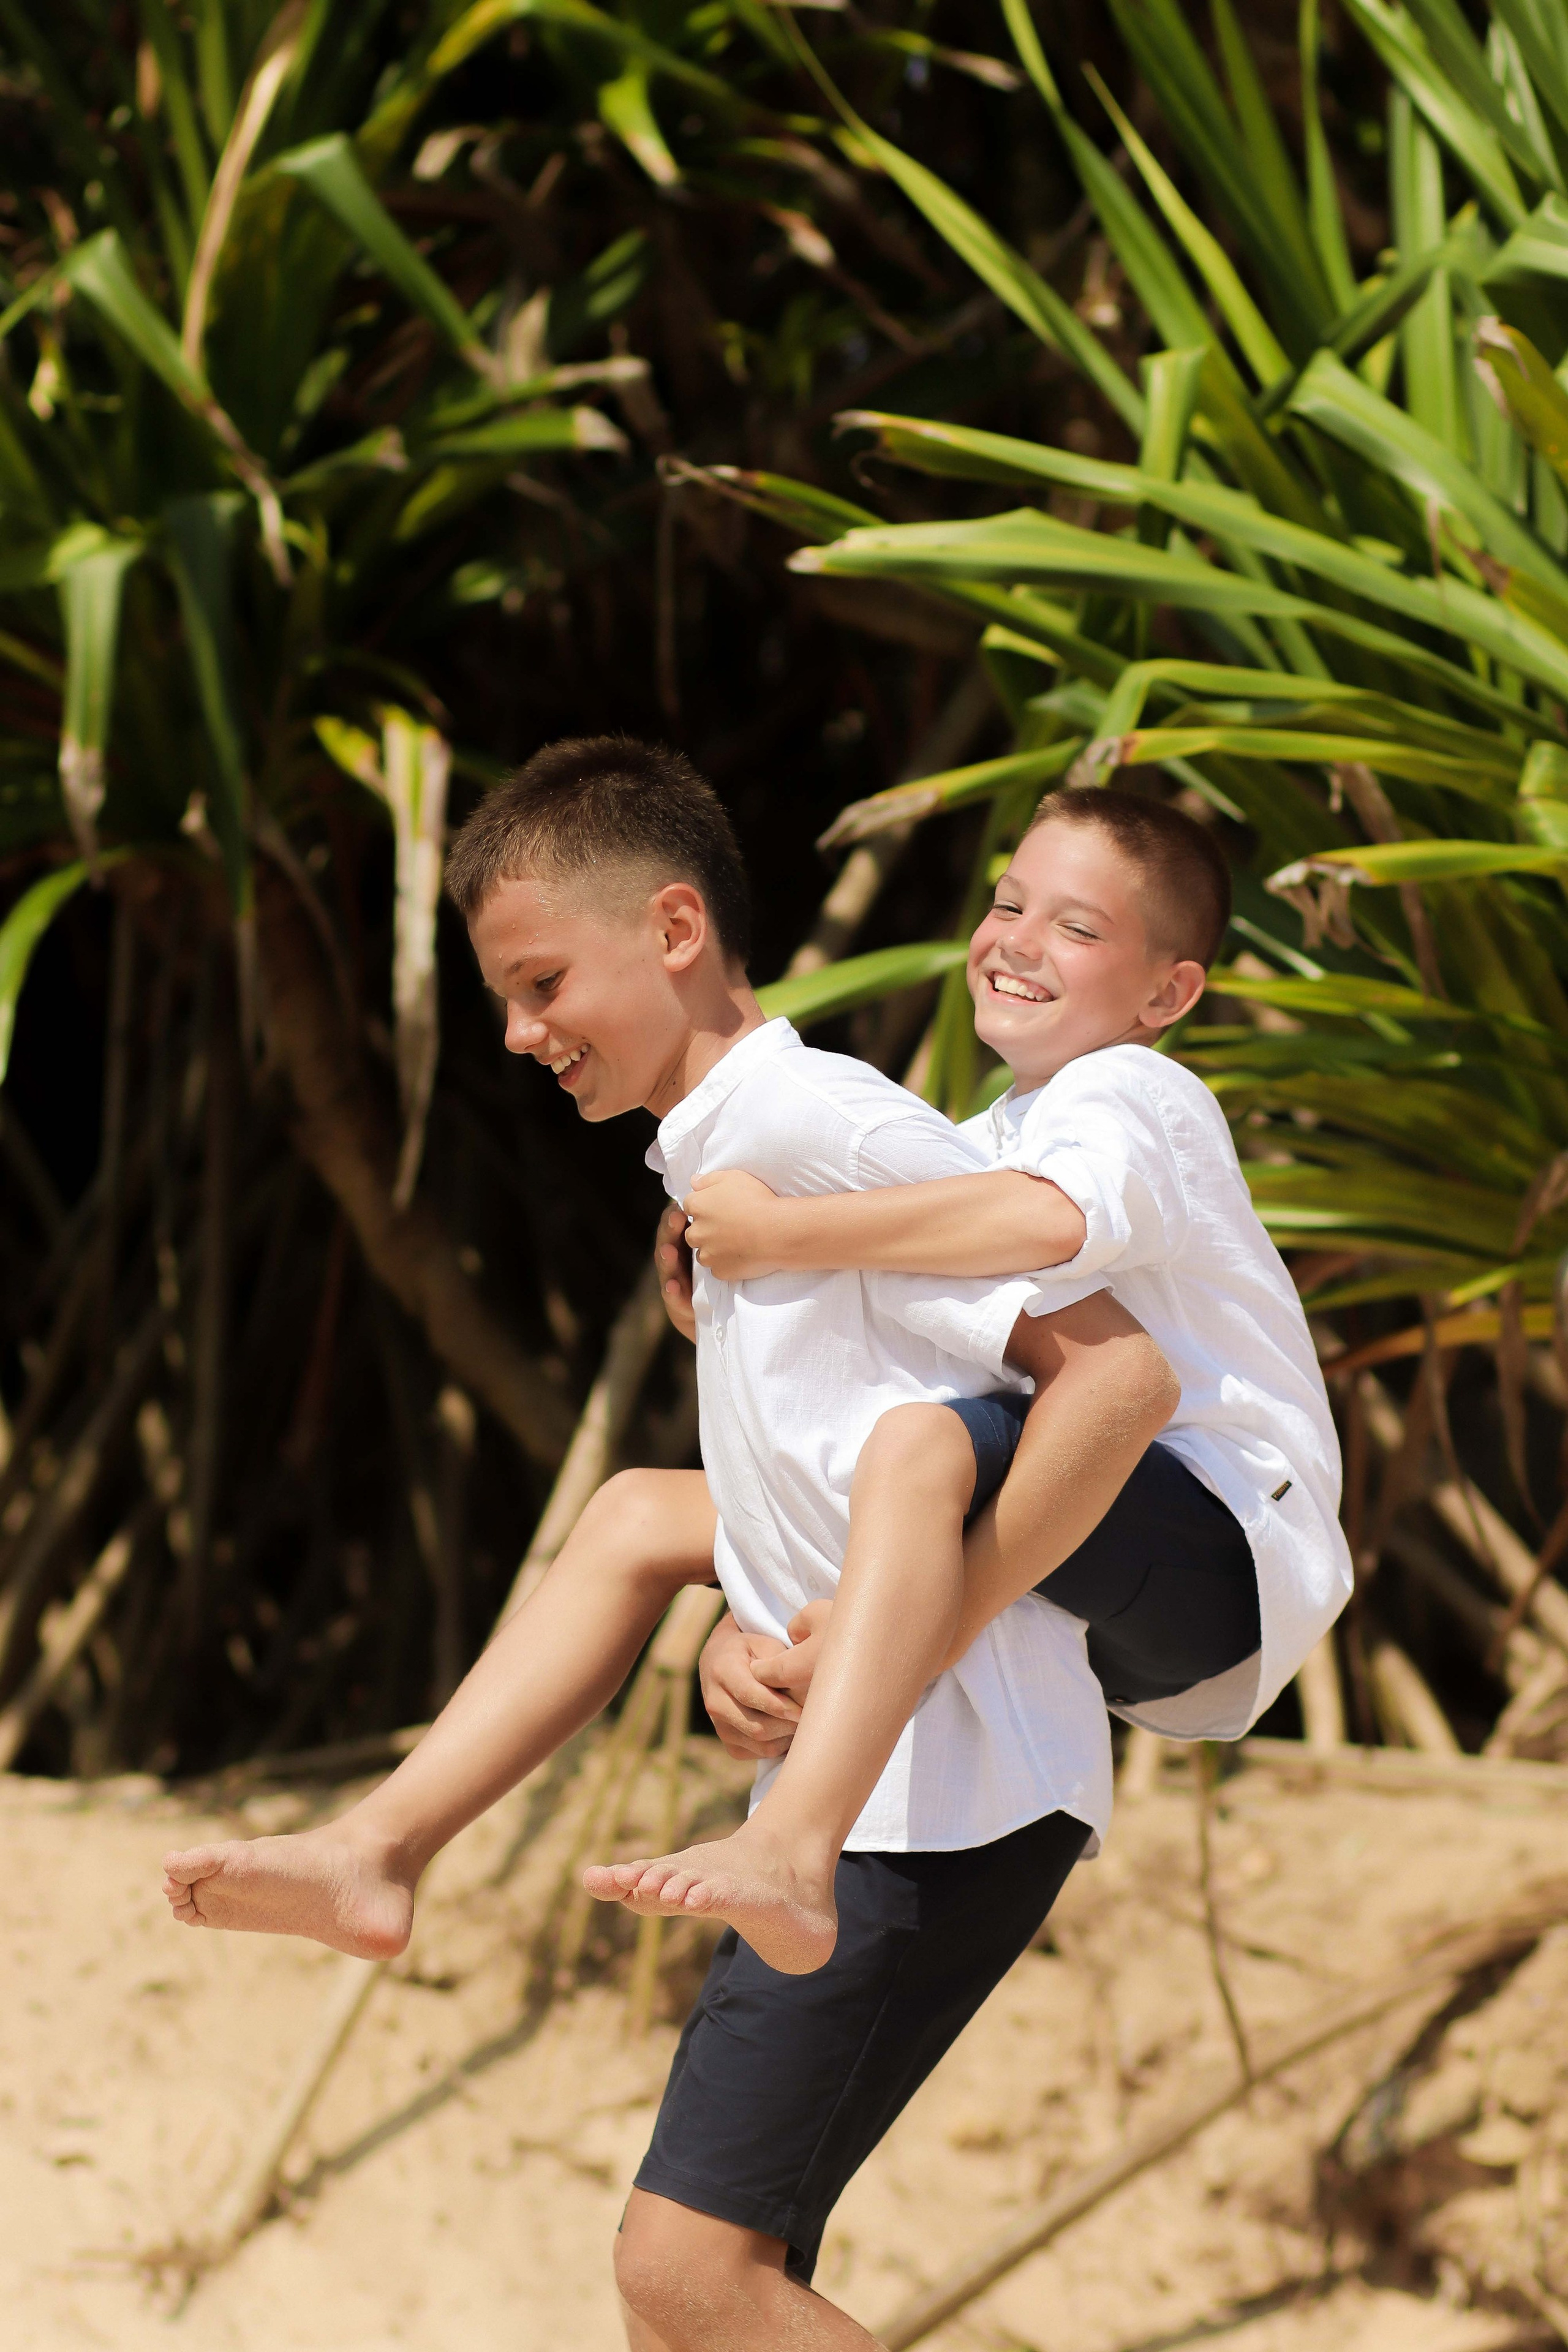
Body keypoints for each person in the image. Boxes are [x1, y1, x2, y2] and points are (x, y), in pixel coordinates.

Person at [162, 736, 1174, 2352]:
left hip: (939, 1799)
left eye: (544, 980)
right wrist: (761, 1623)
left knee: (688, 2279)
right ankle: (382, 1845)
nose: (517, 1032)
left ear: (678, 931)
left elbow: (1111, 1378)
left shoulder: (821, 1123)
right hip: (878, 1789)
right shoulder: (713, 1163)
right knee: (691, 2303)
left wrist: (916, 1627)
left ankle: (383, 1848)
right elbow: (834, 1470)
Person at [590, 787, 1351, 1970]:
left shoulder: (1135, 1093)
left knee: (924, 1447)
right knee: (661, 1506)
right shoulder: (983, 1135)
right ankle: (825, 1657)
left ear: (1169, 995)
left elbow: (1048, 1223)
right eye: (1007, 904)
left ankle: (805, 1823)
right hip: (1118, 1559)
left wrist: (787, 1236)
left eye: (1080, 929)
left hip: (1219, 1534)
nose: (1020, 940)